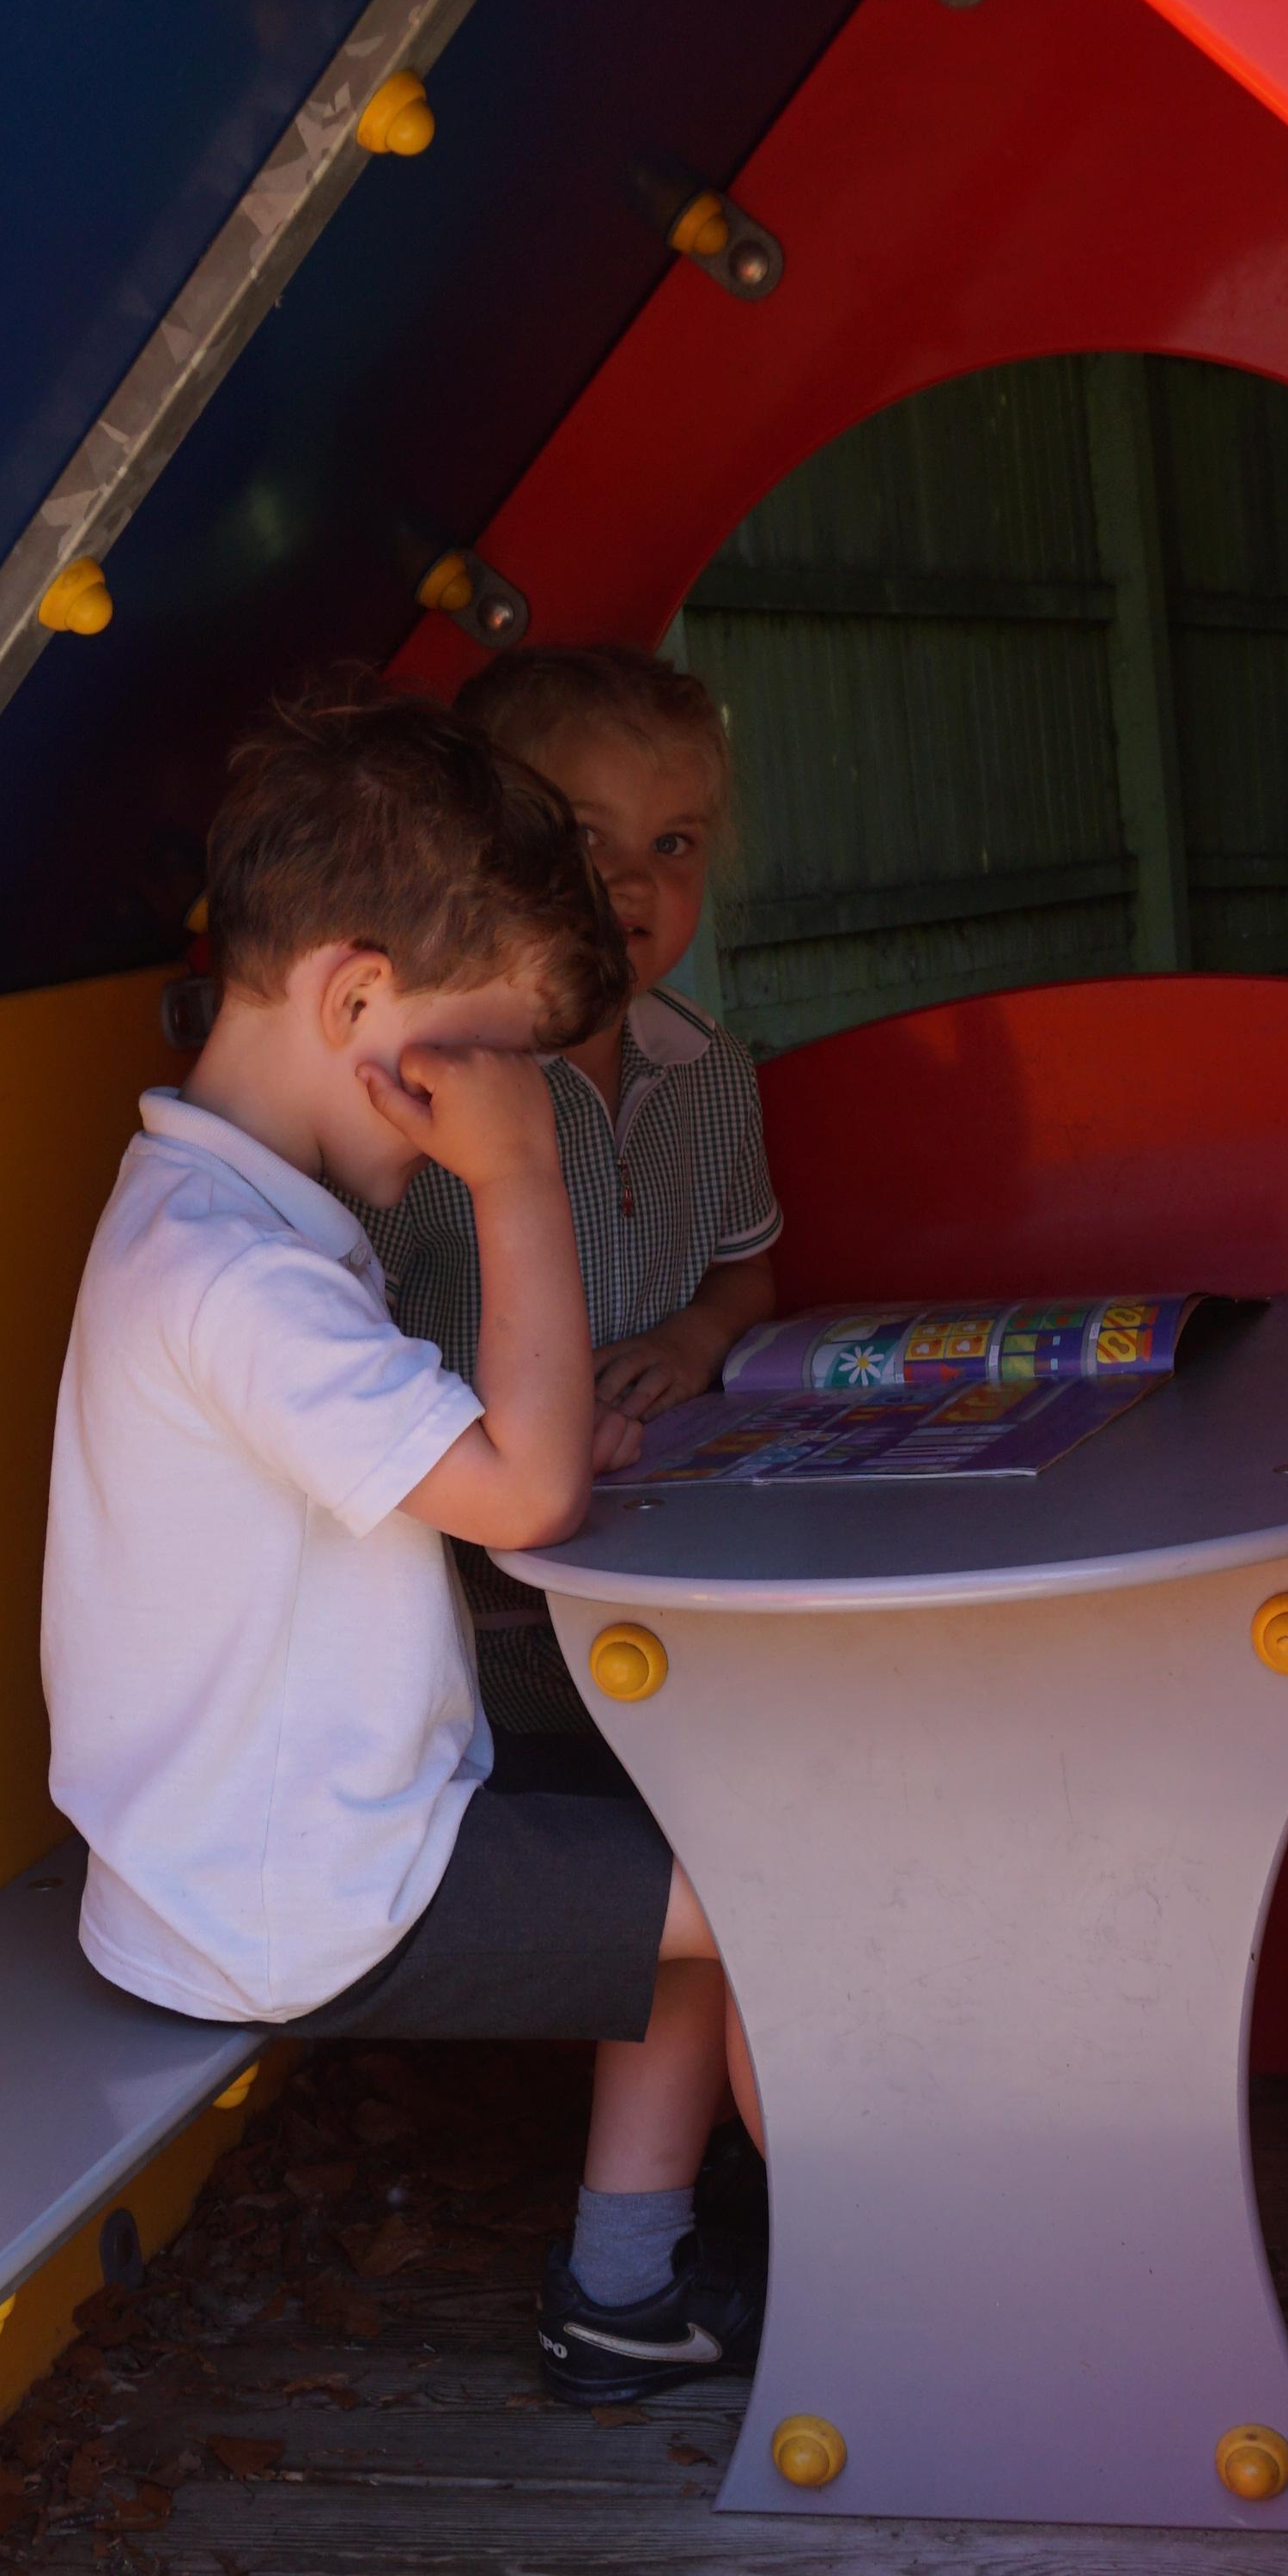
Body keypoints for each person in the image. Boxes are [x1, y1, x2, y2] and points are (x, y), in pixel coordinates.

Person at [43, 681, 762, 2399]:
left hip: (258, 1850)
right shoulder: (235, 1274)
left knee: (700, 1830)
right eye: (482, 1061)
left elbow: (465, 1466)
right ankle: (893, 2302)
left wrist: (518, 1429)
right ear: (356, 1000)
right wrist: (517, 1182)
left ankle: (629, 2285)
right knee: (784, 1892)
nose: (487, 1111)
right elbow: (525, 1502)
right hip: (299, 1892)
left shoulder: (226, 1216)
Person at [368, 642, 780, 1763]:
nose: (635, 883)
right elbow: (341, 1331)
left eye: (675, 844)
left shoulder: (709, 1069)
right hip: (487, 1598)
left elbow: (749, 1270)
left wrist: (697, 1337)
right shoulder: (435, 1091)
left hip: (681, 1550)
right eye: (588, 838)